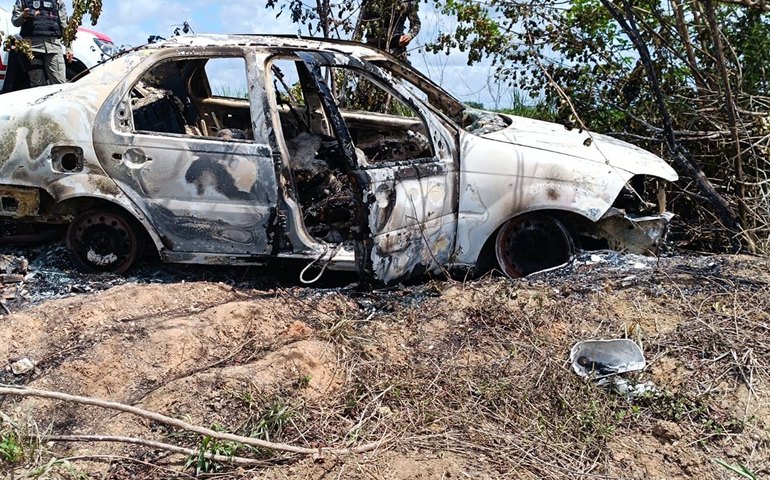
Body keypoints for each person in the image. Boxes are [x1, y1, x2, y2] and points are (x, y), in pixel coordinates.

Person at [11, 0, 72, 87]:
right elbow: (15, 21)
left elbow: (64, 26)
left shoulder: (57, 2)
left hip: (53, 47)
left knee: (59, 84)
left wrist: (69, 47)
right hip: (32, 49)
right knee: (37, 86)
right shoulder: (23, 1)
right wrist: (23, 16)